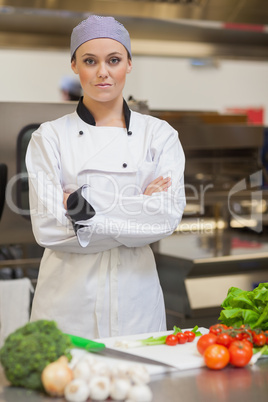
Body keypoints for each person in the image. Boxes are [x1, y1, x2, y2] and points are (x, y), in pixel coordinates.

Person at [26, 15, 186, 339]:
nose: (103, 72)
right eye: (90, 61)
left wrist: (80, 208)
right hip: (67, 309)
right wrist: (138, 204)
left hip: (137, 306)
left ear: (129, 63)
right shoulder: (49, 137)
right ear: (74, 65)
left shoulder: (159, 136)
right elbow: (50, 229)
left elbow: (164, 220)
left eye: (113, 60)